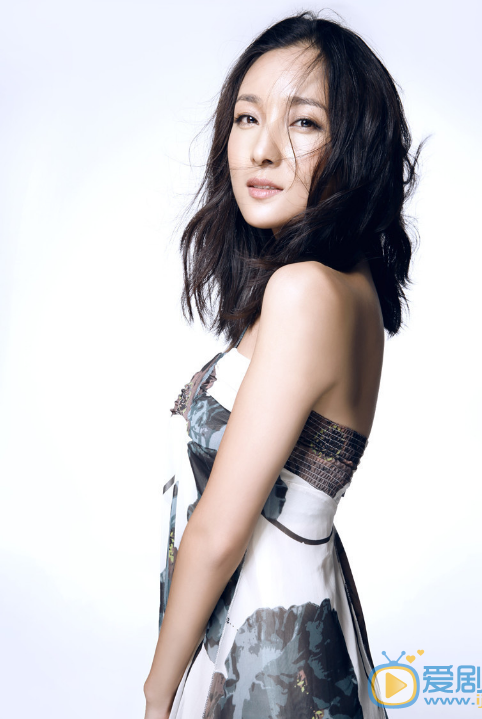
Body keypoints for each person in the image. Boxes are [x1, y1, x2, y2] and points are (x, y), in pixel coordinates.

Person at [144, 10, 421, 719]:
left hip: (272, 658)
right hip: (294, 632)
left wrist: (156, 691)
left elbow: (218, 532)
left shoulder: (304, 294)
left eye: (303, 123)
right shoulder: (346, 288)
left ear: (354, 146)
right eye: (246, 118)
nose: (262, 150)